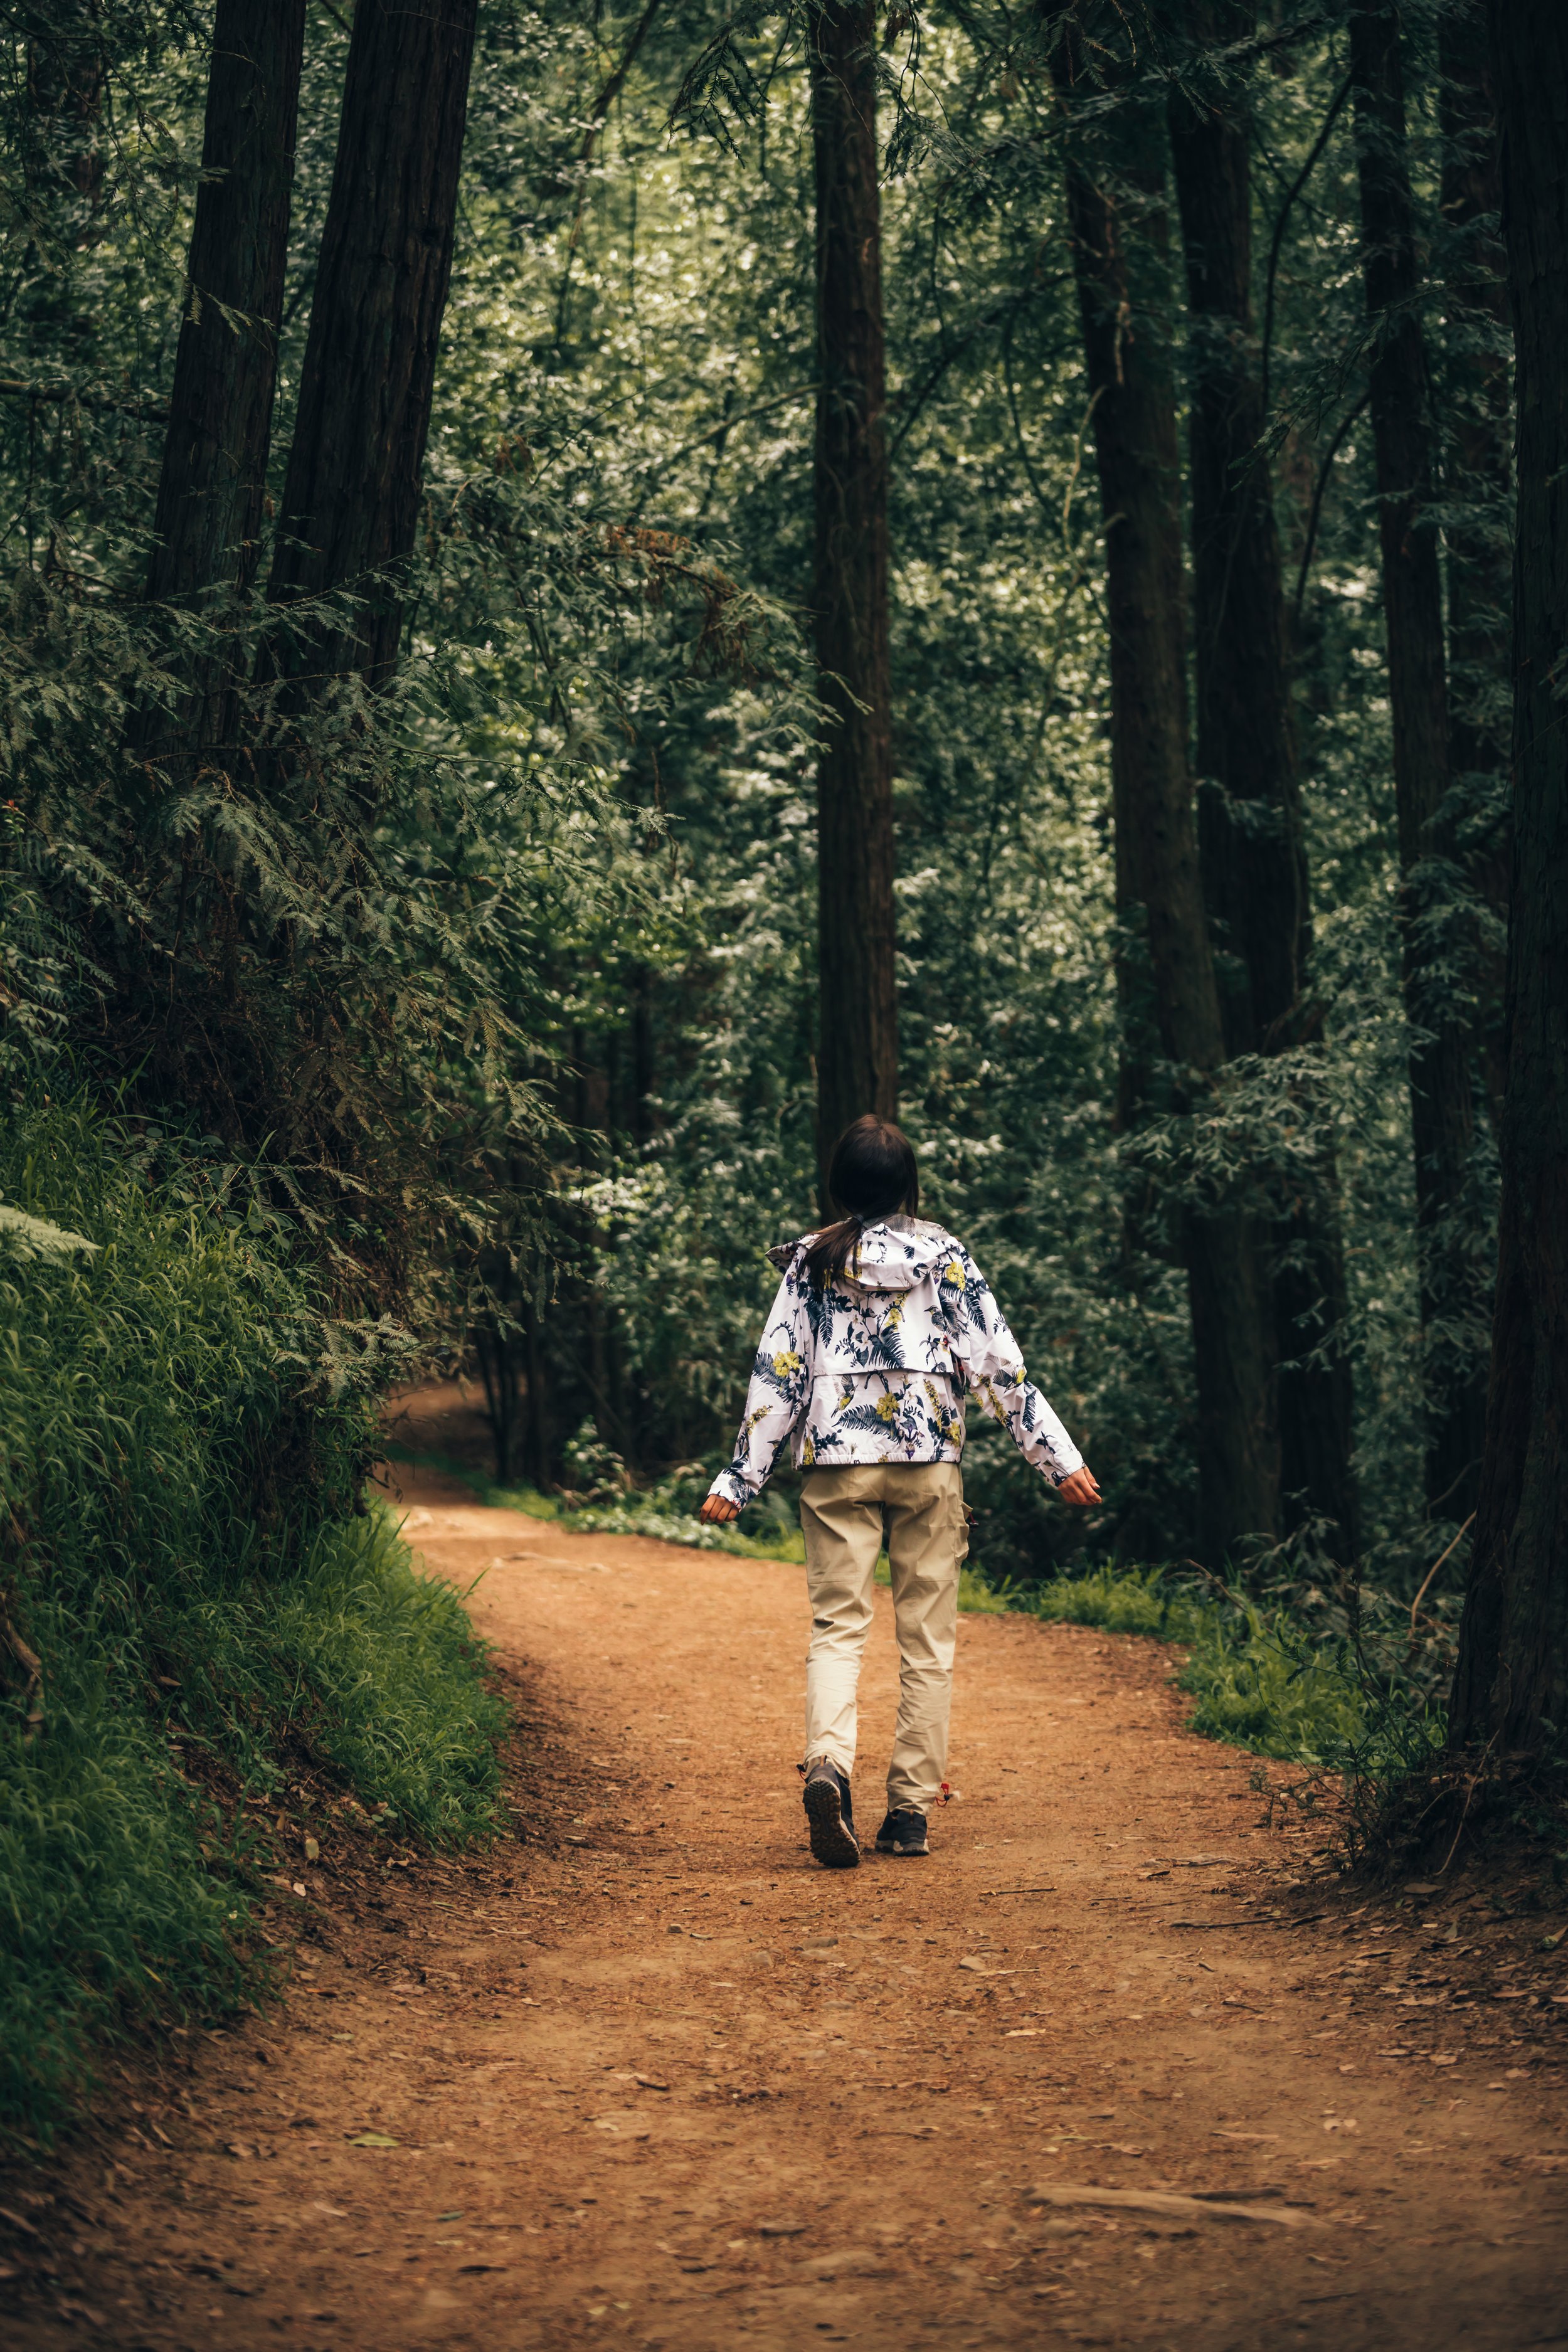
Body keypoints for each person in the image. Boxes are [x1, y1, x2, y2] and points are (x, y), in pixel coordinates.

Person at [698, 1114, 1100, 1870]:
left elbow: (777, 1377)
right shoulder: (945, 1256)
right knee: (927, 1642)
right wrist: (1057, 1461)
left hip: (835, 1466)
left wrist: (739, 1479)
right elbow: (997, 1368)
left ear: (836, 1185)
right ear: (909, 1187)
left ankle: (827, 1767)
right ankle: (908, 1815)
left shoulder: (810, 1265)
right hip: (928, 1467)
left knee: (837, 1627)